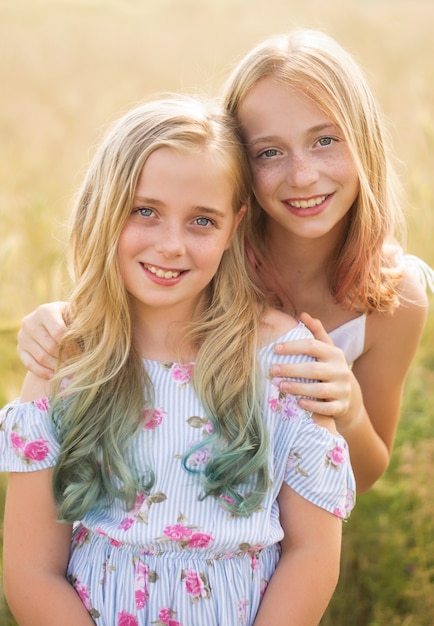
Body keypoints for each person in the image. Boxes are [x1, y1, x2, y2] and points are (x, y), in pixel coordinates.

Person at [16, 29, 430, 493]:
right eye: (269, 152)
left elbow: (369, 471)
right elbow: (116, 328)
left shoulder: (395, 295)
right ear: (236, 164)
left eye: (325, 140)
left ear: (365, 140)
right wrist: (58, 321)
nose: (303, 175)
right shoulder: (203, 255)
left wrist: (348, 409)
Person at [1, 96, 355, 626]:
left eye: (202, 222)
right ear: (104, 206)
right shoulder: (66, 360)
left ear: (234, 226)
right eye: (145, 211)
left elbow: (314, 553)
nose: (171, 245)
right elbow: (31, 572)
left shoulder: (285, 360)